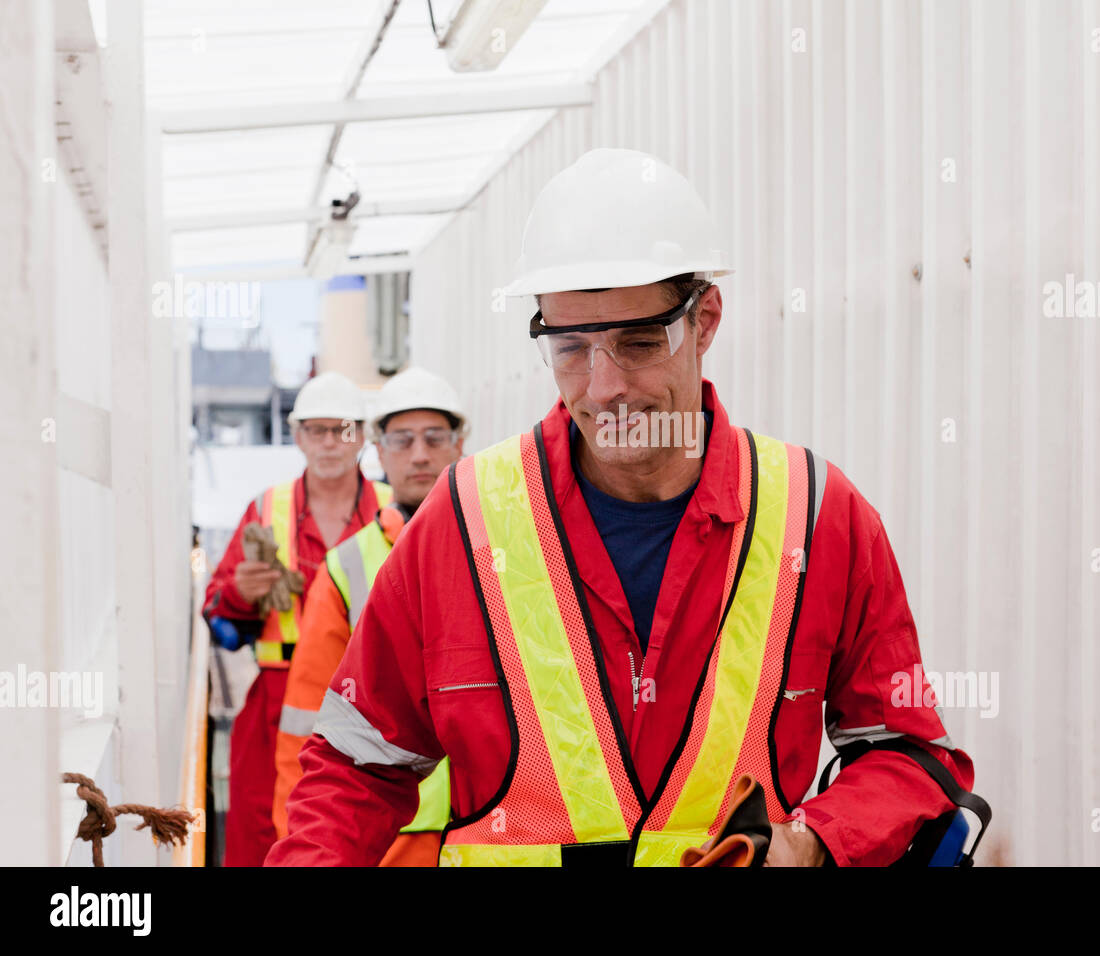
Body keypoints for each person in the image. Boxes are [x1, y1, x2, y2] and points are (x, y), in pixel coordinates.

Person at [266, 148, 975, 867]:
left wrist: (811, 842)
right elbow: (356, 767)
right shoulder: (462, 519)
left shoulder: (819, 517)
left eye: (639, 342)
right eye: (571, 347)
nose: (605, 387)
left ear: (706, 322)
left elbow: (908, 752)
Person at [271, 368, 467, 866]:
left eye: (434, 438)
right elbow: (309, 721)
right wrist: (301, 843)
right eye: (403, 440)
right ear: (379, 450)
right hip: (391, 837)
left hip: (493, 831)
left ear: (459, 443)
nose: (420, 454)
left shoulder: (508, 544)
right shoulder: (345, 568)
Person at [203, 370, 391, 867]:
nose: (330, 442)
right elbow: (219, 620)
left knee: (367, 829)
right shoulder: (265, 509)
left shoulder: (397, 512)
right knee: (260, 833)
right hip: (276, 701)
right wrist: (240, 595)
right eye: (316, 429)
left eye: (342, 429)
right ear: (296, 435)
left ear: (364, 436)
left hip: (370, 696)